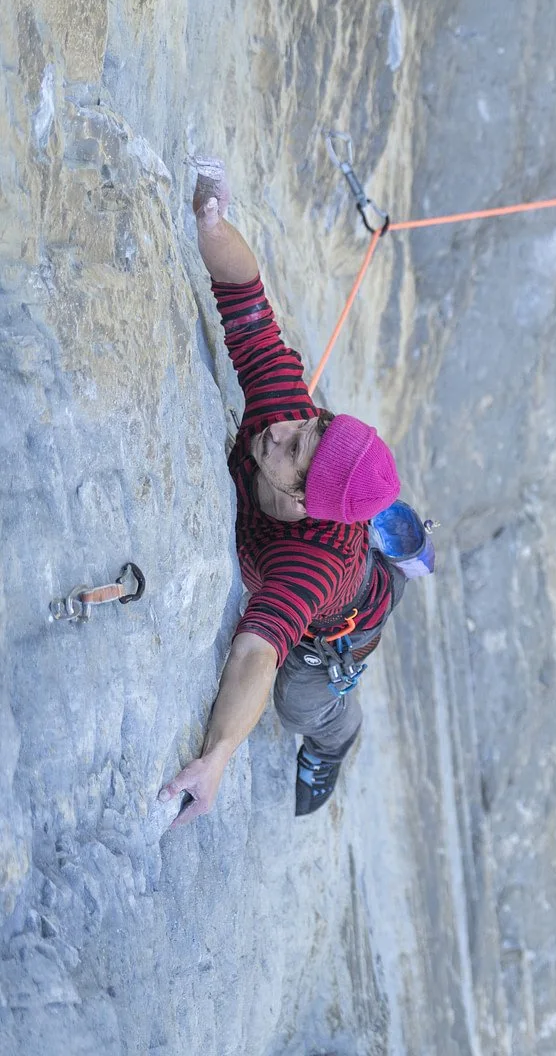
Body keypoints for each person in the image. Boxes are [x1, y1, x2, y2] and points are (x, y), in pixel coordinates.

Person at [158, 157, 403, 826]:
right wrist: (213, 223)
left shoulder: (309, 564)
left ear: (303, 501)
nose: (282, 432)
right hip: (337, 565)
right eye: (308, 426)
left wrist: (216, 758)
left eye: (295, 451)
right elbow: (245, 301)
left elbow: (257, 653)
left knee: (299, 703)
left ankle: (337, 738)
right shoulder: (285, 415)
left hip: (340, 621)